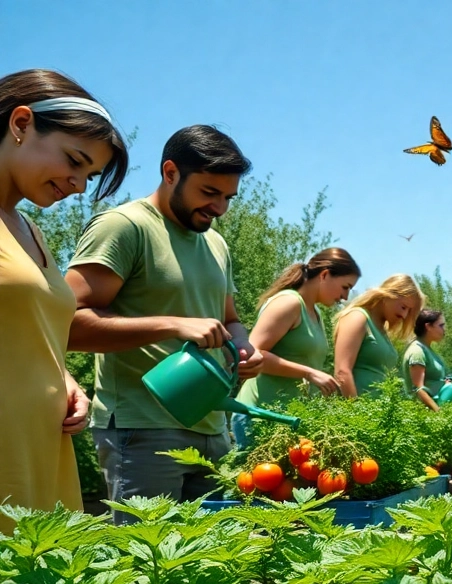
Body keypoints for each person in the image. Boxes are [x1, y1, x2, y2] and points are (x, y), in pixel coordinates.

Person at [67, 125, 263, 514]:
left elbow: (230, 319)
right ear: (170, 172)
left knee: (214, 564)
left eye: (228, 197)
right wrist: (172, 324)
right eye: (209, 193)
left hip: (213, 429)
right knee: (146, 563)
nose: (220, 208)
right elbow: (68, 324)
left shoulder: (215, 243)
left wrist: (243, 345)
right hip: (142, 429)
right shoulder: (124, 227)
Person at [0, 69, 128, 518]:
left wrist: (64, 379)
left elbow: (24, 330)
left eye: (89, 176)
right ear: (20, 124)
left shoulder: (28, 229)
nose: (78, 185)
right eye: (74, 161)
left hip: (41, 444)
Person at [233, 248, 359, 443]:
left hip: (287, 420)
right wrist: (309, 373)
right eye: (345, 287)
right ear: (325, 275)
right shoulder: (289, 303)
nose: (345, 297)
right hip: (260, 415)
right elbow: (252, 355)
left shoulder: (315, 313)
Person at [333, 274, 421, 398]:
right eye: (403, 307)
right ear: (387, 296)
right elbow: (342, 372)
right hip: (358, 412)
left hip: (379, 413)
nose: (404, 315)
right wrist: (355, 412)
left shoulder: (382, 332)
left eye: (408, 311)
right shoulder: (358, 318)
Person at [403, 309, 450, 411]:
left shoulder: (428, 350)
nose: (444, 329)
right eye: (441, 326)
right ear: (428, 326)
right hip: (422, 415)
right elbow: (418, 390)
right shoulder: (417, 352)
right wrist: (438, 413)